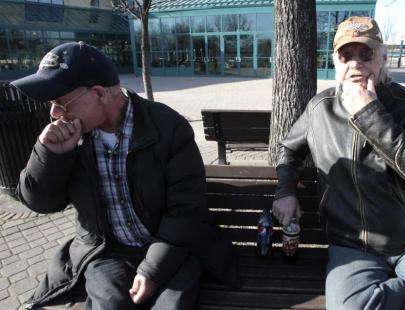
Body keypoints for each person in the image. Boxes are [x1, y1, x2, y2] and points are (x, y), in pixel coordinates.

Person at [271, 16, 405, 310]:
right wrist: (285, 191)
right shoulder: (320, 108)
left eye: (365, 54)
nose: (355, 64)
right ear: (335, 61)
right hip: (351, 245)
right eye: (346, 55)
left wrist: (369, 111)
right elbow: (288, 151)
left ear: (383, 57)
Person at [11, 41, 238, 310]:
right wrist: (51, 155)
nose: (54, 113)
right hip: (106, 253)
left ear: (99, 93)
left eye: (62, 102)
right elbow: (39, 202)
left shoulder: (168, 127)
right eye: (52, 104)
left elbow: (187, 210)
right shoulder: (68, 134)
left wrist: (153, 270)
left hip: (172, 248)